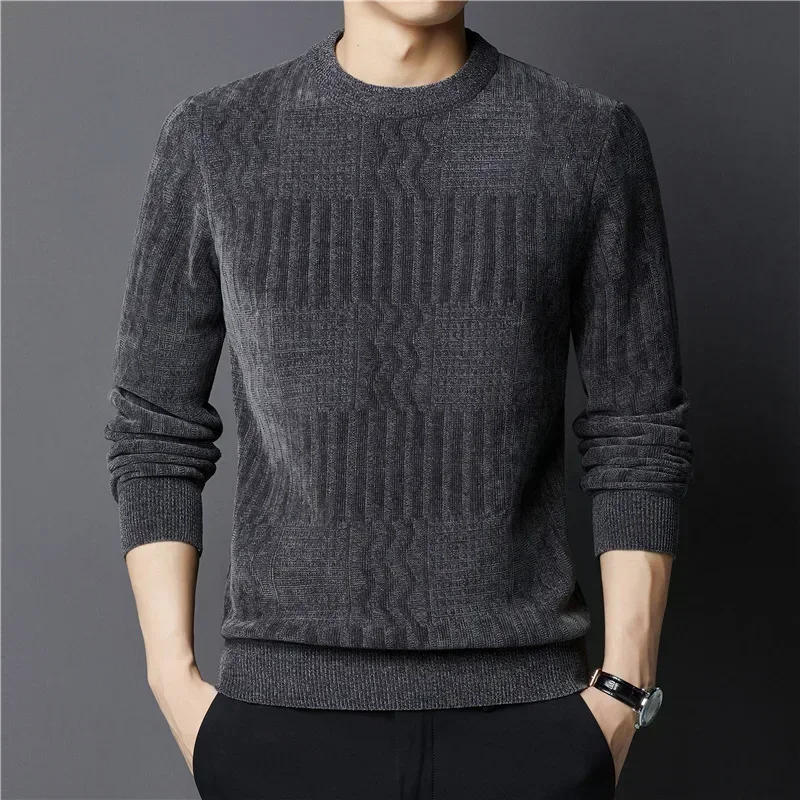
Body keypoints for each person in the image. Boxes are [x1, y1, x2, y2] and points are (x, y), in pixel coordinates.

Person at [103, 2, 694, 798]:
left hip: (530, 722)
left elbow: (638, 426)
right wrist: (173, 682)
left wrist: (624, 688)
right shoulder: (217, 138)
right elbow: (155, 424)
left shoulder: (585, 138)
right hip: (280, 723)